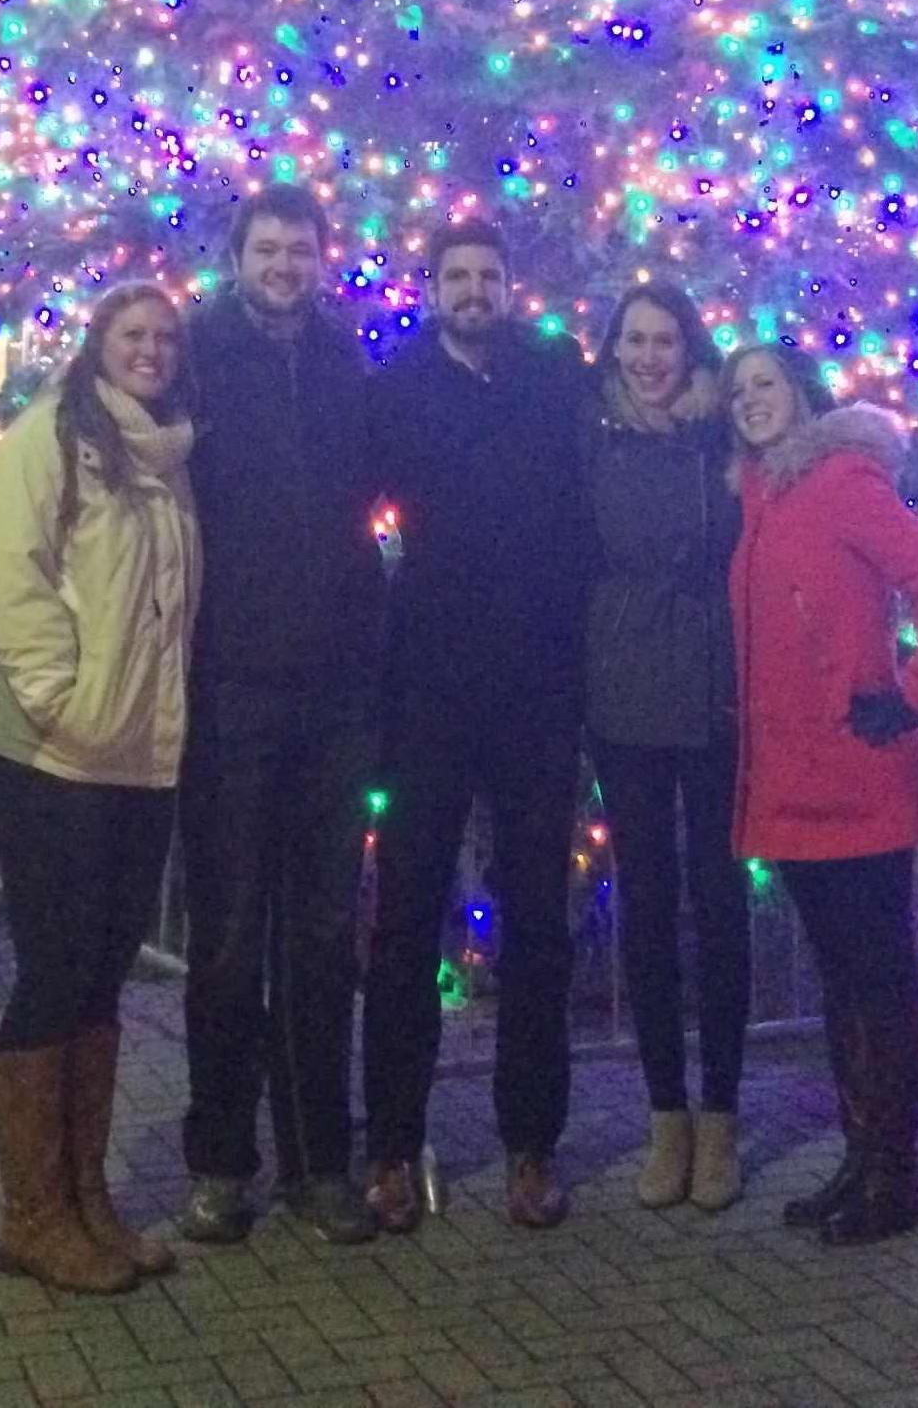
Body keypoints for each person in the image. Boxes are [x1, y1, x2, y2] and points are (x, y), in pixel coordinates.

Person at [363, 219, 591, 1233]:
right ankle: (389, 1143)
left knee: (538, 921)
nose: (471, 290)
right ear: (431, 288)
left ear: (509, 286)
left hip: (538, 690)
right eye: (453, 276)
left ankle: (530, 1143)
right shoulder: (395, 386)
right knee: (406, 918)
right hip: (427, 687)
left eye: (485, 275)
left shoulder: (552, 377)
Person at [0, 282, 200, 1293]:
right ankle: (32, 1215)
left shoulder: (165, 457)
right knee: (54, 971)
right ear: (99, 345)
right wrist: (60, 699)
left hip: (139, 758)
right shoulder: (48, 439)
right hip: (52, 758)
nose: (149, 349)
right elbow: (10, 579)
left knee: (101, 972)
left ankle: (85, 1199)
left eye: (162, 336)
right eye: (132, 334)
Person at [724, 342, 918, 1245]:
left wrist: (914, 694)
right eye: (738, 389)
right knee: (843, 982)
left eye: (766, 384)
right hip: (794, 780)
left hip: (853, 774)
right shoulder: (761, 494)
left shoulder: (838, 480)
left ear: (801, 394)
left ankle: (894, 1177)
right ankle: (860, 1158)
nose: (750, 400)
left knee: (878, 980)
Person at [177, 185, 383, 1247]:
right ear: (239, 255)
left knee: (317, 935)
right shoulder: (198, 354)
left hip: (335, 690)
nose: (284, 265)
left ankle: (317, 1163)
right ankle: (219, 1159)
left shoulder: (349, 363)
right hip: (229, 691)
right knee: (222, 937)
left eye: (299, 250)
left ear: (319, 258)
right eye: (266, 249)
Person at [583, 282, 750, 1212]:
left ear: (691, 348)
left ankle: (720, 1114)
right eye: (633, 341)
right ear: (612, 351)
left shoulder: (719, 436)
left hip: (716, 695)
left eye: (665, 341)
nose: (649, 357)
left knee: (719, 901)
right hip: (623, 692)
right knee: (646, 904)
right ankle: (665, 1114)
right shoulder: (592, 435)